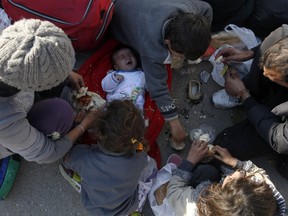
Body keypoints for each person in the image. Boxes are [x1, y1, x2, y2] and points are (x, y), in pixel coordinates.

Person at [110, 0, 212, 149]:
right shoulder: (152, 47)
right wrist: (174, 123)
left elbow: (207, 9)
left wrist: (201, 38)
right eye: (180, 55)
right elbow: (157, 87)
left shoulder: (190, 11)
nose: (181, 59)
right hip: (118, 19)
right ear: (167, 42)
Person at [0, 19, 97, 164]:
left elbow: (30, 52)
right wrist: (85, 125)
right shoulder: (5, 121)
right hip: (6, 135)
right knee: (60, 114)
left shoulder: (9, 44)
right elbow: (49, 154)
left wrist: (66, 72)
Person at [213, 24, 288, 180]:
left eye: (275, 78)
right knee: (265, 59)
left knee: (225, 145)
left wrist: (244, 95)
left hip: (282, 135)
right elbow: (277, 39)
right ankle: (257, 100)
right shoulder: (284, 35)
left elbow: (279, 139)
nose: (266, 75)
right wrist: (248, 54)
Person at [61, 100, 156, 216]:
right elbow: (140, 148)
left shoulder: (85, 159)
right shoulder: (138, 157)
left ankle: (78, 180)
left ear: (99, 134)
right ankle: (135, 211)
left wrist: (81, 126)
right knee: (152, 165)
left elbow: (66, 158)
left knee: (81, 172)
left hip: (94, 207)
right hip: (126, 206)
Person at [166, 140, 286, 216]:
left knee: (206, 172)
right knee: (210, 171)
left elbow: (173, 192)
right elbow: (257, 173)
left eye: (230, 180)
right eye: (244, 178)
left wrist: (190, 161)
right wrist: (235, 162)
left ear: (217, 200)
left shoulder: (196, 207)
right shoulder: (267, 196)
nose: (237, 173)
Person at [101, 46, 146, 112]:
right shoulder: (113, 74)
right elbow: (105, 87)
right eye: (122, 57)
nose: (128, 57)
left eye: (131, 55)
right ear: (116, 67)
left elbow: (152, 86)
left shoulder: (141, 74)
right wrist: (114, 79)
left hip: (134, 108)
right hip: (115, 105)